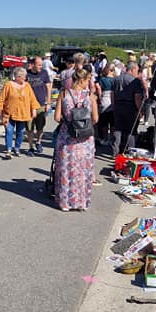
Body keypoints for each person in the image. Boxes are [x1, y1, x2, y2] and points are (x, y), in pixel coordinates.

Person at [54, 68, 99, 211]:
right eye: (88, 80)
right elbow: (96, 119)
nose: (89, 83)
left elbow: (56, 118)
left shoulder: (63, 94)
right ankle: (81, 202)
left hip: (67, 138)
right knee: (83, 170)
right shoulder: (89, 96)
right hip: (85, 140)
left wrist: (68, 120)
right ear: (82, 80)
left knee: (66, 169)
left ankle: (66, 203)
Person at [0, 67, 40, 158]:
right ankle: (9, 150)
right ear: (17, 77)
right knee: (9, 131)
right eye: (23, 76)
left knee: (21, 132)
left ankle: (17, 147)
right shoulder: (8, 85)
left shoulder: (27, 85)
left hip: (23, 113)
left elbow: (32, 99)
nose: (25, 78)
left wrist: (34, 109)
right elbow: (2, 98)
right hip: (9, 113)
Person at [112, 62, 146, 154]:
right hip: (130, 106)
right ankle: (131, 151)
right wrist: (140, 110)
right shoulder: (135, 81)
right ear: (132, 70)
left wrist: (113, 106)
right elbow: (137, 97)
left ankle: (115, 151)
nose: (137, 72)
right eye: (137, 70)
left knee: (118, 129)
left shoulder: (116, 79)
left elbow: (112, 94)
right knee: (131, 130)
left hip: (118, 105)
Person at [25, 57, 53, 155]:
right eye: (39, 65)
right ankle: (31, 147)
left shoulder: (44, 73)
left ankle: (39, 142)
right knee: (29, 127)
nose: (41, 67)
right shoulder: (26, 74)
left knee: (40, 126)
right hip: (29, 106)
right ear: (33, 65)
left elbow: (49, 87)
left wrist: (48, 103)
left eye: (41, 65)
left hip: (41, 104)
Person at [96, 63, 116, 147]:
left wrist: (99, 98)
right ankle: (111, 138)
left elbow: (98, 90)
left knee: (104, 121)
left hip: (104, 98)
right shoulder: (115, 80)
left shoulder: (102, 79)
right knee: (112, 122)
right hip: (113, 100)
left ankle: (105, 138)